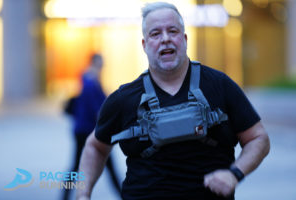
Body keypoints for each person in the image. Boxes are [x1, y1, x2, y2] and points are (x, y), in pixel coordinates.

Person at [76, 2, 270, 200]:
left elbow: (258, 138)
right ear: (144, 45)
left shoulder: (220, 85)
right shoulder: (123, 99)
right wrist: (82, 194)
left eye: (173, 31)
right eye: (155, 34)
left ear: (184, 39)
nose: (165, 39)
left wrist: (234, 173)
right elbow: (94, 147)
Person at [62, 54, 121, 200]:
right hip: (87, 131)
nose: (101, 68)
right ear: (93, 64)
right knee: (84, 165)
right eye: (100, 65)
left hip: (84, 129)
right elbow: (98, 109)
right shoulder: (90, 83)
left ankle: (64, 196)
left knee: (77, 166)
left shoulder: (91, 81)